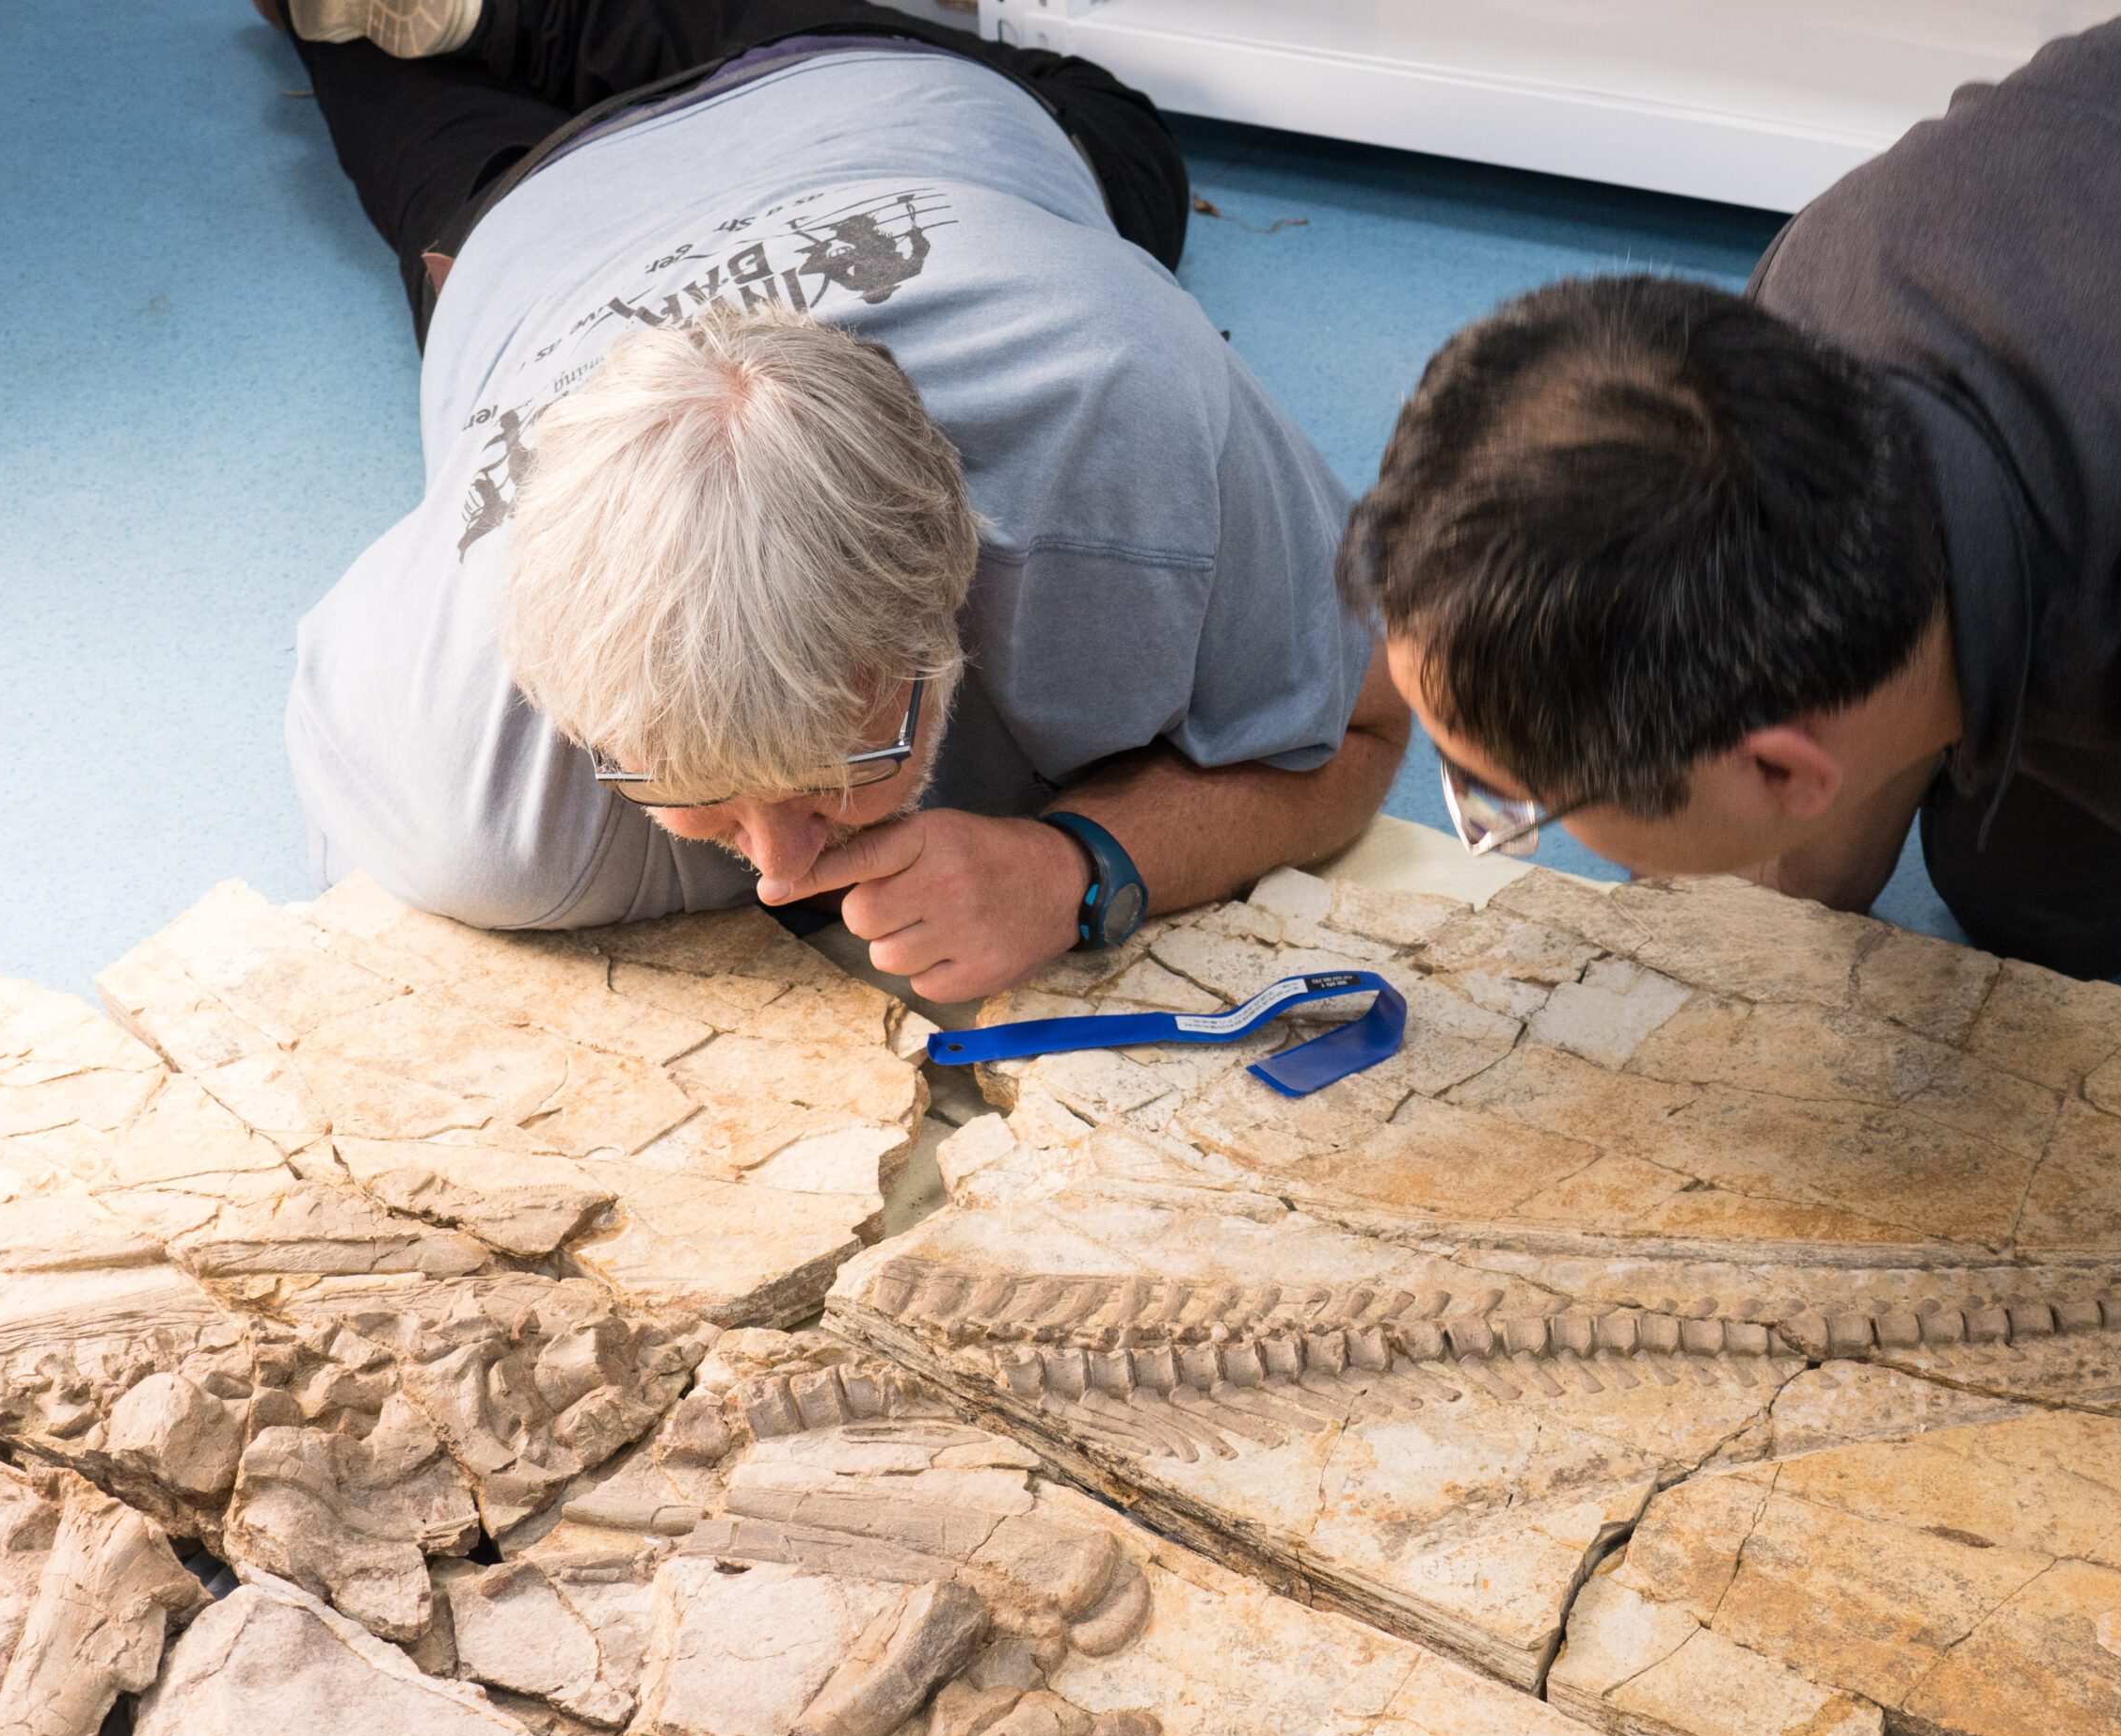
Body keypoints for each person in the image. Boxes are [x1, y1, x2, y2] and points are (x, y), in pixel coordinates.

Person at [1340, 0, 2121, 1699]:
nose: (1491, 827)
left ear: (1781, 762)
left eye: (1509, 798)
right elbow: (1808, 839)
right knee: (2032, 895)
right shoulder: (1799, 313)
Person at [272, 0, 1408, 1003]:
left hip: (877, 95)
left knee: (1111, 124)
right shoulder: (464, 768)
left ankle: (538, 17)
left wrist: (1078, 865)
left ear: (949, 591)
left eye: (840, 772)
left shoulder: (1125, 405)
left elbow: (1373, 715)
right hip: (523, 226)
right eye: (689, 789)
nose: (780, 868)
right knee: (362, 63)